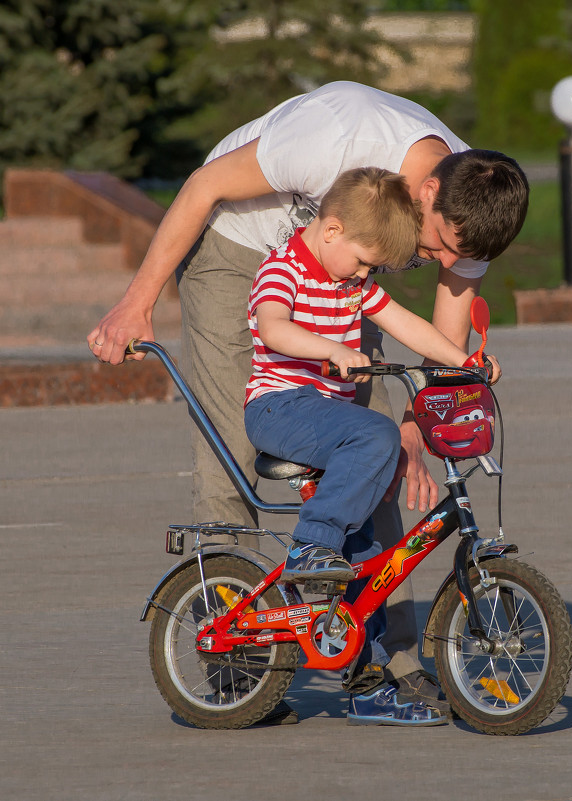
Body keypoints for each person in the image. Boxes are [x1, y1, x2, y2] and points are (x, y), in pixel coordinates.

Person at [87, 81, 529, 723]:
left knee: (377, 456)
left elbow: (443, 331)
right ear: (426, 191)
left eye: (451, 257)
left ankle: (384, 666)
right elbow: (204, 185)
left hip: (347, 275)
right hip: (240, 251)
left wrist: (413, 426)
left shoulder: (474, 198)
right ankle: (236, 668)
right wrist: (138, 302)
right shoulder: (338, 135)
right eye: (434, 246)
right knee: (235, 448)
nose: (437, 261)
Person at [245, 167, 473, 725]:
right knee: (376, 431)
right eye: (365, 261)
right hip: (278, 409)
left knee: (371, 563)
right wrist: (330, 348)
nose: (366, 276)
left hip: (327, 421)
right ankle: (311, 546)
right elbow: (273, 328)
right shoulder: (283, 271)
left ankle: (367, 685)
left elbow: (407, 325)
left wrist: (462, 362)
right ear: (331, 232)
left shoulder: (351, 282)